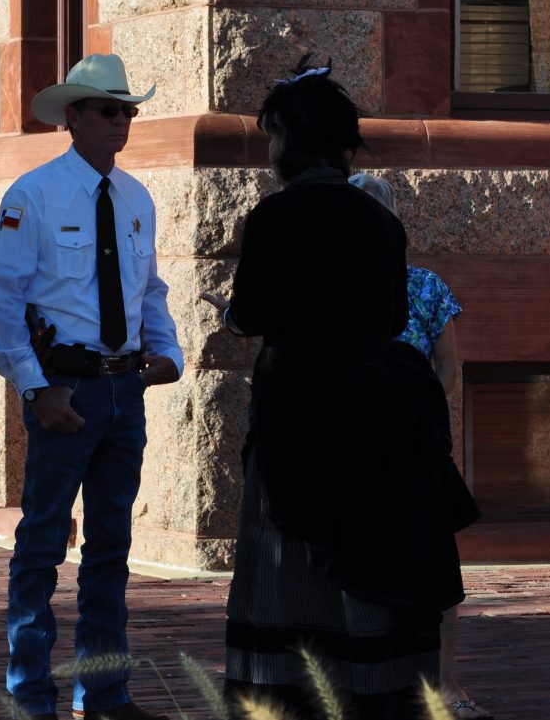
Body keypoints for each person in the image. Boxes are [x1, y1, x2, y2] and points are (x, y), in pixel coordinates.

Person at [200, 59, 479, 720]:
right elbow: (390, 317)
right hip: (374, 419)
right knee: (365, 563)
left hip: (297, 415)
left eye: (273, 136)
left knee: (289, 565)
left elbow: (254, 312)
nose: (269, 152)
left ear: (294, 140)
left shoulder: (274, 217)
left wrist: (232, 315)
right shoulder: (380, 221)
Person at [0, 53, 183, 720]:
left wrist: (169, 351)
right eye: (107, 109)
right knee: (42, 542)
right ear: (73, 116)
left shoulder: (136, 199)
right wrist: (37, 390)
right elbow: (4, 306)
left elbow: (148, 289)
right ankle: (30, 694)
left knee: (111, 548)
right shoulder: (31, 195)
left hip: (123, 391)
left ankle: (104, 693)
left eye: (127, 109)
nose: (120, 121)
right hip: (64, 387)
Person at [350, 173, 492, 720]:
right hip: (351, 449)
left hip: (414, 445)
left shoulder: (426, 286)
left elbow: (448, 370)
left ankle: (445, 685)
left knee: (437, 568)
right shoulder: (330, 289)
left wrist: (410, 412)